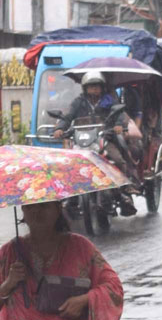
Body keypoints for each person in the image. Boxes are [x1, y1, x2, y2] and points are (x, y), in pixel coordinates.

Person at [53, 72, 140, 216]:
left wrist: (118, 125)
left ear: (102, 88)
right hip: (83, 141)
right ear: (85, 88)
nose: (94, 89)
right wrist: (60, 128)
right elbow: (68, 116)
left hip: (104, 138)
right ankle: (71, 198)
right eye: (91, 86)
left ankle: (124, 189)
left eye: (97, 86)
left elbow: (120, 115)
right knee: (68, 165)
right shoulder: (78, 102)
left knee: (117, 160)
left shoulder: (109, 101)